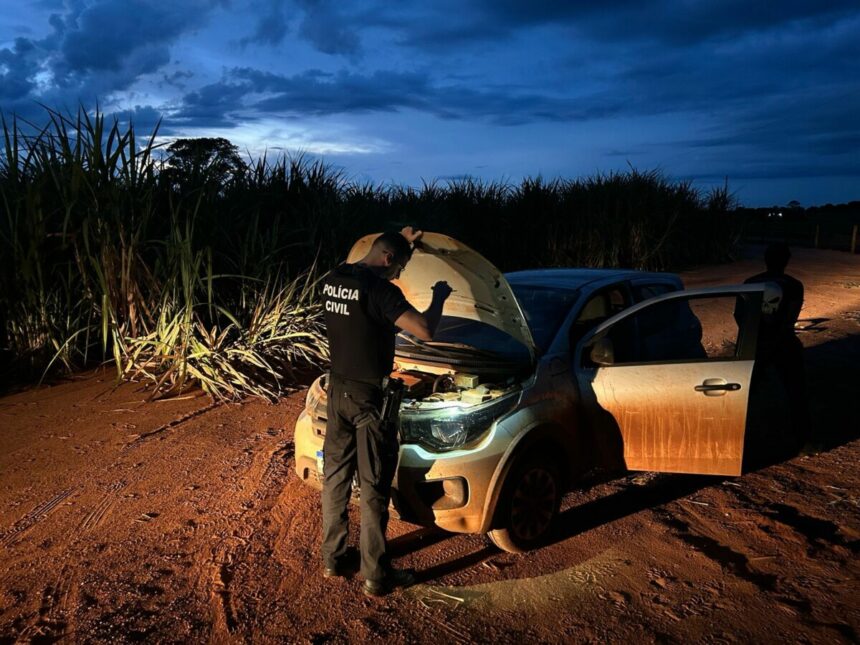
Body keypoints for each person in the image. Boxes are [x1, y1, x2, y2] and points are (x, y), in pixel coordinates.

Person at [320, 227, 452, 597]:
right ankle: (376, 576)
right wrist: (439, 297)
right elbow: (425, 329)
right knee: (374, 485)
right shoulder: (381, 291)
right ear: (388, 258)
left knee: (335, 479)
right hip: (369, 398)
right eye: (399, 267)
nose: (398, 275)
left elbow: (367, 261)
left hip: (337, 390)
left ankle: (333, 559)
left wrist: (402, 238)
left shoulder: (334, 278)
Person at [744, 242, 811, 452]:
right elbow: (791, 318)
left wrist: (753, 334)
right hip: (784, 342)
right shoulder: (794, 285)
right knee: (795, 392)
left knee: (745, 393)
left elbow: (740, 314)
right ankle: (802, 440)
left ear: (765, 259)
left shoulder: (750, 283)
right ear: (786, 261)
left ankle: (743, 437)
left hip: (755, 343)